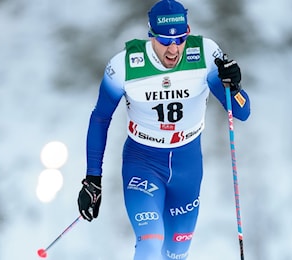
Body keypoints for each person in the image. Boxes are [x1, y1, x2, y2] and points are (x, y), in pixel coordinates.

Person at [77, 0, 251, 259]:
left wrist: (234, 86)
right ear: (151, 36)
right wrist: (93, 178)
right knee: (150, 242)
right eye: (164, 41)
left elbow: (242, 111)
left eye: (180, 40)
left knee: (176, 253)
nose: (173, 50)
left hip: (187, 167)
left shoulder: (205, 54)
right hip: (143, 162)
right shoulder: (124, 66)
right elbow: (100, 118)